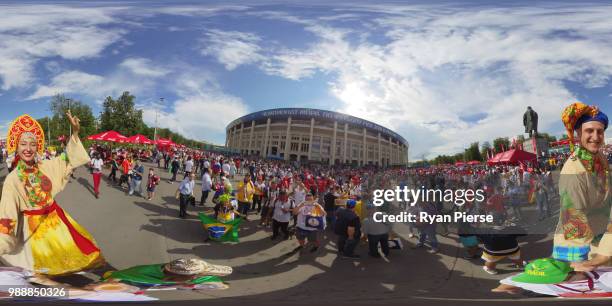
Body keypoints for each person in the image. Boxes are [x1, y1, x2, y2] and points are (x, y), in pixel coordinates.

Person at [0, 112, 104, 275]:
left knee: (80, 260)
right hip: (33, 235)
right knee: (46, 275)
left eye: (32, 144)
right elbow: (7, 216)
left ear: (38, 146)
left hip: (58, 223)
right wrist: (3, 243)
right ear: (16, 146)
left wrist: (75, 132)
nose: (28, 149)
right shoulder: (12, 180)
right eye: (23, 144)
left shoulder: (44, 166)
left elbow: (67, 159)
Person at [554, 102, 610, 263]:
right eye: (589, 131)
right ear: (578, 133)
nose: (595, 136)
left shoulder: (601, 158)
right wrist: (585, 264)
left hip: (601, 241)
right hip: (580, 251)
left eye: (600, 131)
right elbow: (574, 220)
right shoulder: (573, 169)